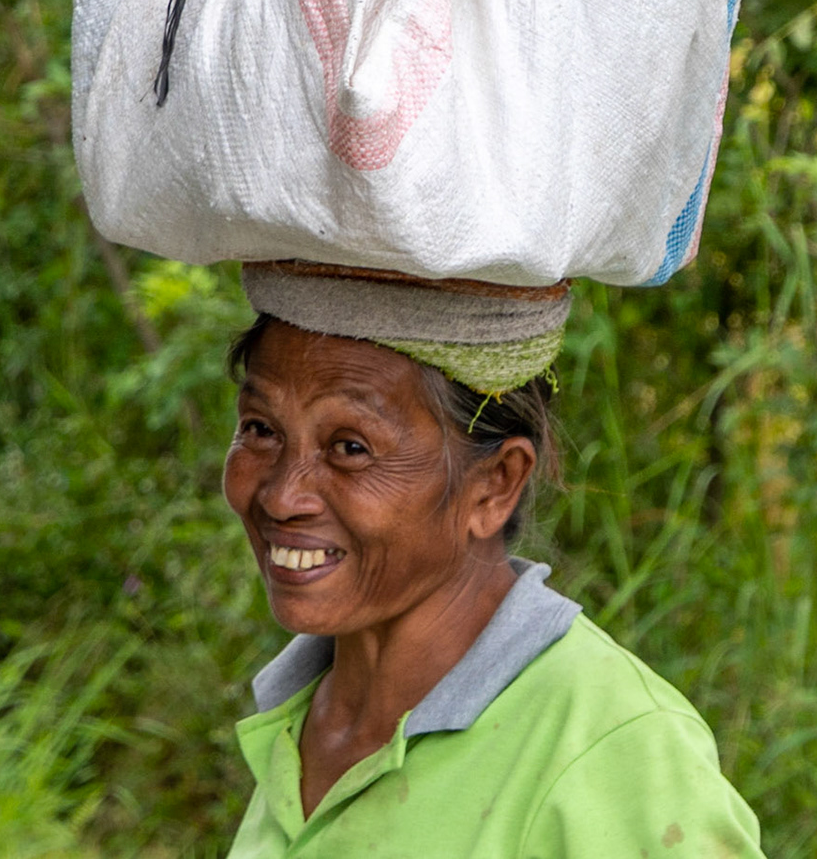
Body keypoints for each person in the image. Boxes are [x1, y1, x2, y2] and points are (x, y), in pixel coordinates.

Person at [222, 260, 766, 858]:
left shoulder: (609, 749)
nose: (281, 495)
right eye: (261, 430)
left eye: (350, 447)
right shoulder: (300, 719)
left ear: (495, 486)